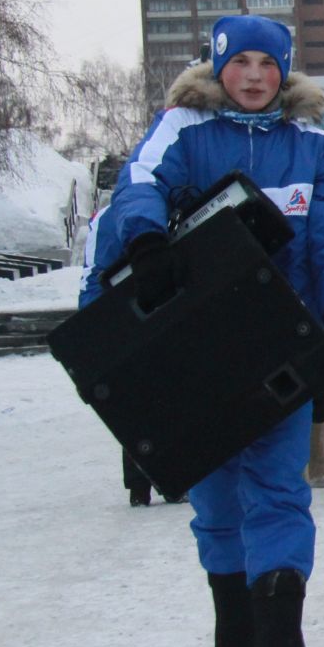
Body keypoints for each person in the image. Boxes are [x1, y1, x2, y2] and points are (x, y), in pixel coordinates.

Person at [111, 14, 324, 647]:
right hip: (194, 349)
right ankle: (234, 637)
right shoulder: (181, 131)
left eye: (268, 63)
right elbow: (137, 186)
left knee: (280, 489)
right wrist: (145, 242)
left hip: (280, 343)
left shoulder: (312, 145)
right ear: (218, 66)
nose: (255, 75)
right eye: (241, 61)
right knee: (218, 500)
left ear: (283, 72)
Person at [77, 204, 186, 507]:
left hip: (125, 311)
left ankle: (143, 485)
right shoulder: (160, 206)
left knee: (141, 401)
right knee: (162, 397)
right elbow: (97, 272)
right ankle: (165, 479)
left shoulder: (109, 216)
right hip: (139, 308)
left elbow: (93, 272)